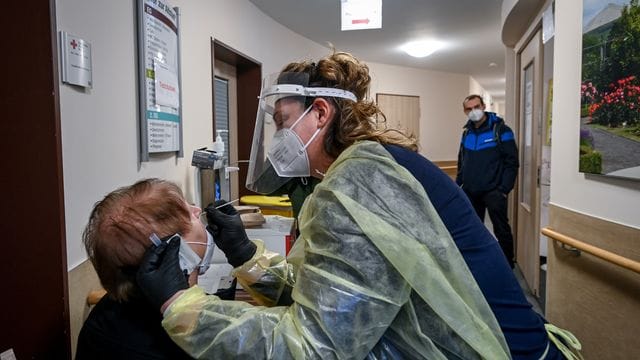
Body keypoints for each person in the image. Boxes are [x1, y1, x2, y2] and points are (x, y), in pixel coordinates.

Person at [136, 52, 580, 359]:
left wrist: (181, 306)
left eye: (284, 123)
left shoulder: (360, 181)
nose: (278, 140)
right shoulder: (367, 168)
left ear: (322, 114)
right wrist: (245, 255)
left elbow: (315, 346)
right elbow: (337, 293)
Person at [77, 178, 218, 360]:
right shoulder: (168, 345)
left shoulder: (111, 314)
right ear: (175, 253)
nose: (198, 210)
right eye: (190, 215)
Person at [456, 94, 519, 268]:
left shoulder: (501, 130)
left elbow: (512, 162)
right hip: (470, 191)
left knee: (501, 229)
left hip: (494, 192)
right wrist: (458, 185)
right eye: (469, 109)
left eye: (476, 107)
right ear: (464, 111)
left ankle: (508, 265)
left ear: (483, 106)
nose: (473, 111)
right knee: (473, 229)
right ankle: (478, 263)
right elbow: (462, 160)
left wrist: (504, 189)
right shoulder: (466, 132)